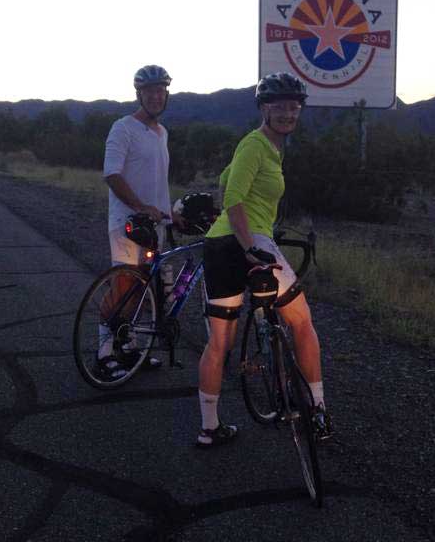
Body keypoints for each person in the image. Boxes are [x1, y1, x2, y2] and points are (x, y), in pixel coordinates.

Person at [195, 72, 332, 447]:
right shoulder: (256, 145)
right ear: (264, 108)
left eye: (294, 106)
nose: (289, 113)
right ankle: (319, 410)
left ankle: (209, 428)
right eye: (280, 106)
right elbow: (233, 200)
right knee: (302, 322)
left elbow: (226, 181)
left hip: (221, 246)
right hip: (247, 241)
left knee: (220, 341)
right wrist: (251, 245)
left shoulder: (261, 148)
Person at [100, 64, 180, 381]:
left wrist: (169, 213)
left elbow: (157, 182)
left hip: (154, 226)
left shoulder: (162, 134)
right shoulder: (123, 128)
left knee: (143, 292)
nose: (156, 96)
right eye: (150, 91)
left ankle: (130, 349)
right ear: (139, 95)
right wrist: (140, 206)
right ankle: (103, 353)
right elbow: (112, 174)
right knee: (123, 288)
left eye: (161, 91)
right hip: (127, 223)